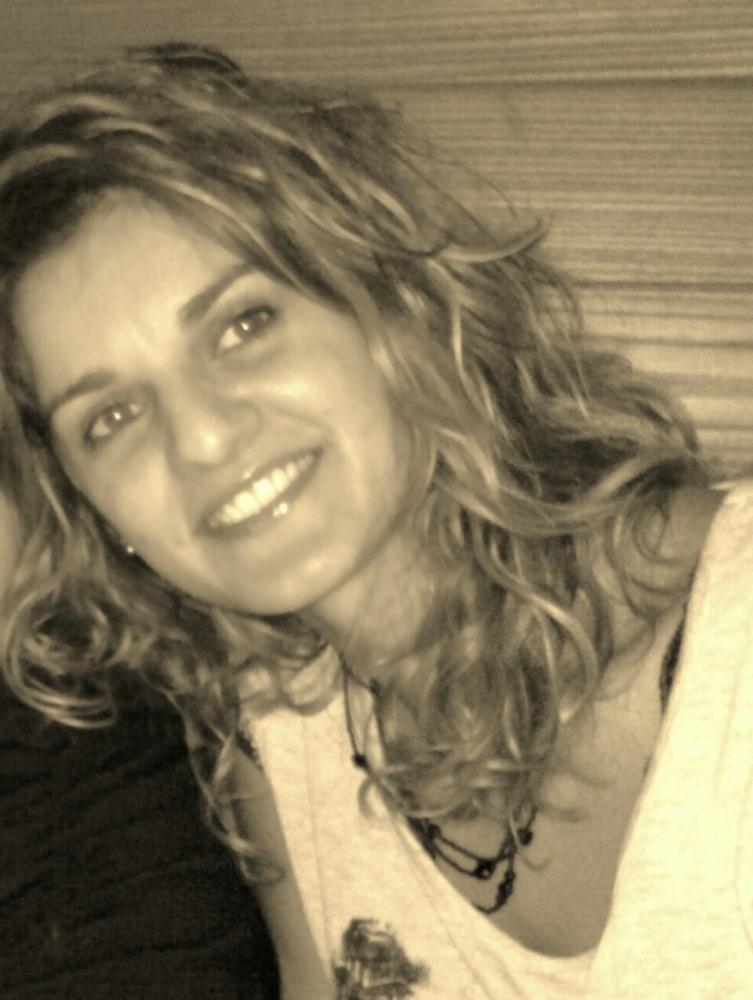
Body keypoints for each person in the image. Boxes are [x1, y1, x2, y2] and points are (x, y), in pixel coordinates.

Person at [0, 42, 750, 999]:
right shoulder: (278, 732)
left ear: (389, 300)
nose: (201, 439)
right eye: (109, 417)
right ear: (98, 517)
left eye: (241, 326)